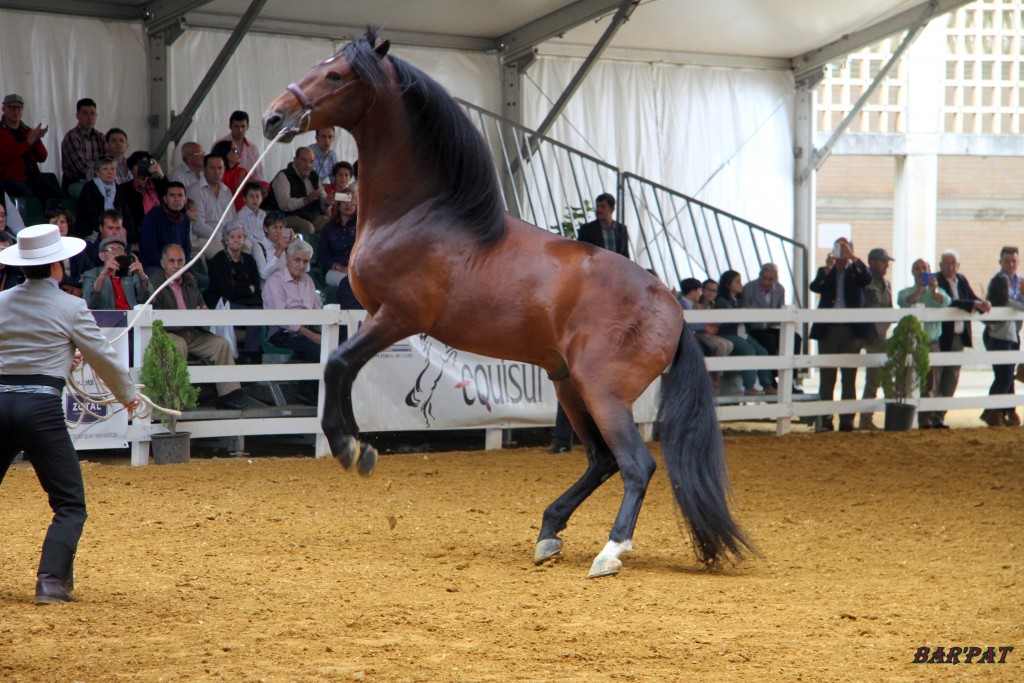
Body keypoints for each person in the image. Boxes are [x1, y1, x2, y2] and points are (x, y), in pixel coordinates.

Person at [0, 223, 140, 604]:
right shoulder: (71, 306)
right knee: (69, 502)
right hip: (41, 406)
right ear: (58, 265)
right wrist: (127, 395)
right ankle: (50, 581)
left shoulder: (1, 302)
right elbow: (102, 356)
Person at [149, 244, 251, 409]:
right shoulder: (154, 282)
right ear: (163, 263)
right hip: (167, 333)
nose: (176, 265)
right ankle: (174, 398)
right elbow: (154, 317)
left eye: (180, 261)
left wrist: (202, 312)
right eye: (172, 261)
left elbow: (201, 305)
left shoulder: (189, 280)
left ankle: (229, 395)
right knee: (177, 344)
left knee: (221, 345)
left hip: (192, 331)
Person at [808, 237, 875, 432]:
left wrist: (853, 258)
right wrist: (828, 270)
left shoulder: (856, 270)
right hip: (828, 329)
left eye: (845, 248)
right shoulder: (825, 271)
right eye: (839, 247)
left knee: (849, 376)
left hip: (850, 330)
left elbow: (867, 279)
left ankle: (847, 420)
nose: (842, 251)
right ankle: (825, 420)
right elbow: (815, 287)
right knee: (827, 376)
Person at [933, 250, 989, 429]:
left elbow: (971, 298)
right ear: (940, 265)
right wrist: (973, 304)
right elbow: (949, 302)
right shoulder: (937, 281)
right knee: (936, 376)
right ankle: (930, 416)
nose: (950, 267)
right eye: (946, 263)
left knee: (952, 378)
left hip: (959, 338)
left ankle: (940, 416)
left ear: (958, 266)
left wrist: (983, 304)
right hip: (942, 337)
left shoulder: (962, 279)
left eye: (953, 263)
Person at [262, 240, 323, 405]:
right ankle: (307, 394)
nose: (302, 265)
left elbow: (318, 310)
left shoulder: (308, 280)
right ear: (288, 259)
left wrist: (325, 331)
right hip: (282, 332)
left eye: (305, 261)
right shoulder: (275, 281)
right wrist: (313, 336)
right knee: (317, 348)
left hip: (308, 328)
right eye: (298, 260)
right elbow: (283, 318)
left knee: (341, 341)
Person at [896, 259, 951, 429]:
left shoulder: (937, 291)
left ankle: (925, 421)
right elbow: (903, 302)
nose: (921, 271)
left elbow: (947, 301)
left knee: (930, 383)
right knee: (906, 380)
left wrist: (933, 290)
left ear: (930, 271)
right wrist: (919, 290)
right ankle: (903, 419)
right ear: (912, 272)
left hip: (931, 341)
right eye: (917, 269)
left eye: (924, 269)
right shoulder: (906, 291)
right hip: (911, 342)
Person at [204, 224, 264, 364]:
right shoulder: (218, 260)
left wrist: (241, 289)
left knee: (258, 310)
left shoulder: (249, 260)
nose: (236, 240)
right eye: (232, 237)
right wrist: (247, 289)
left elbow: (256, 285)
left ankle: (252, 354)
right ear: (225, 240)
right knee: (252, 313)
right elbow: (227, 291)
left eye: (240, 236)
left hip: (245, 302)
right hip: (222, 302)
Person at [715, 270, 774, 396]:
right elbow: (723, 322)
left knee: (762, 352)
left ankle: (767, 384)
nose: (740, 285)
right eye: (737, 282)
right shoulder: (721, 301)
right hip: (728, 334)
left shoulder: (739, 300)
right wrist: (742, 312)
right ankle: (749, 385)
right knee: (749, 351)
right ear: (728, 284)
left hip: (742, 334)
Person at [858, 247, 895, 430]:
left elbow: (890, 309)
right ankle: (869, 418)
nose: (886, 265)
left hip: (881, 335)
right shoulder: (865, 282)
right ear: (872, 262)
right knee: (879, 377)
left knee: (878, 376)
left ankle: (868, 418)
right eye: (883, 261)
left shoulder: (887, 285)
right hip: (869, 335)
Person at [0, 93, 60, 203]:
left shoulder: (26, 130)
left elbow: (42, 157)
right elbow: (3, 156)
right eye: (12, 107)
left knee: (60, 197)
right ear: (3, 109)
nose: (16, 111)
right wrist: (28, 142)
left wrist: (36, 140)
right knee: (30, 199)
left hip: (33, 180)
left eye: (19, 108)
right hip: (9, 180)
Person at [981, 273, 1024, 427]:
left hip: (994, 342)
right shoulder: (1007, 303)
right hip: (1005, 343)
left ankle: (991, 412)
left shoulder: (990, 304)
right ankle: (995, 412)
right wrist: (1022, 293)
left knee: (1001, 377)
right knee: (1005, 377)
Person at [740, 263, 792, 388]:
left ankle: (790, 379)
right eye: (764, 278)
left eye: (771, 279)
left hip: (773, 326)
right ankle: (772, 379)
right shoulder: (749, 288)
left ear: (776, 279)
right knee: (770, 341)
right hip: (755, 328)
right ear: (760, 276)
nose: (767, 282)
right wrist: (767, 321)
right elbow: (746, 315)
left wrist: (773, 321)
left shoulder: (780, 289)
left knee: (794, 339)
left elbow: (781, 311)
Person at [267, 147, 328, 234]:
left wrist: (328, 202)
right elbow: (284, 204)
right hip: (285, 217)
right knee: (307, 228)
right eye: (304, 161)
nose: (308, 165)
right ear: (295, 160)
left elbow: (323, 200)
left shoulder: (314, 176)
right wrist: (305, 200)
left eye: (311, 162)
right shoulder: (284, 176)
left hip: (309, 216)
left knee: (330, 224)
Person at [186, 153, 235, 259]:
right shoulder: (195, 190)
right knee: (226, 255)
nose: (217, 172)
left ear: (224, 169)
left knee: (247, 253)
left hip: (228, 238)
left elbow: (233, 219)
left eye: (220, 168)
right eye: (212, 168)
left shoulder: (227, 191)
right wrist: (221, 237)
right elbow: (197, 225)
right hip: (204, 238)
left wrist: (235, 237)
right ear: (204, 169)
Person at [81, 236, 151, 310]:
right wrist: (103, 274)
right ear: (102, 256)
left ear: (124, 254)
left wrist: (142, 276)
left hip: (132, 317)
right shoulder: (91, 274)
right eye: (111, 249)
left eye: (120, 249)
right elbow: (88, 303)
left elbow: (149, 301)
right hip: (108, 319)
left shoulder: (132, 274)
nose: (116, 253)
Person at [116, 151, 168, 247]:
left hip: (162, 231)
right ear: (131, 168)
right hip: (141, 234)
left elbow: (170, 195)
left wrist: (161, 174)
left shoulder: (158, 184)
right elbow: (126, 216)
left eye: (146, 163)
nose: (142, 167)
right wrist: (133, 240)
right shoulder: (125, 189)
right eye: (138, 164)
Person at [139, 182, 191, 272]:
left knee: (203, 282)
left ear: (185, 200)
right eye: (172, 195)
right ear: (165, 199)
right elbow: (149, 250)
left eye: (180, 195)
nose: (176, 199)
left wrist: (182, 267)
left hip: (179, 267)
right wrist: (168, 266)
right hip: (155, 266)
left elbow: (186, 248)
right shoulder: (152, 217)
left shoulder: (185, 219)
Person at [60, 98, 105, 195]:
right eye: (85, 113)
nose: (90, 118)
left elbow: (110, 164)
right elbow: (82, 168)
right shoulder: (72, 137)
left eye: (92, 114)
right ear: (77, 116)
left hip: (98, 182)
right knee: (97, 192)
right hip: (76, 183)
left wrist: (96, 164)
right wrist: (100, 165)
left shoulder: (101, 137)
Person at [319, 186, 357, 288]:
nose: (348, 204)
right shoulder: (329, 227)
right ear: (339, 205)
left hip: (356, 271)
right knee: (350, 284)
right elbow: (322, 255)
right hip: (334, 271)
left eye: (351, 201)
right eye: (345, 201)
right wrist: (338, 267)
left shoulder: (360, 226)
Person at [46, 207, 91, 295]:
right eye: (55, 223)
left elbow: (89, 272)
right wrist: (78, 280)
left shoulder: (77, 248)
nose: (59, 225)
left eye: (62, 222)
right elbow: (55, 278)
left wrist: (85, 278)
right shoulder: (45, 250)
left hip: (78, 293)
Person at [76, 155, 122, 239]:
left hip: (115, 227)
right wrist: (105, 228)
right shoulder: (89, 188)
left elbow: (125, 213)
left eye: (112, 169)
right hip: (93, 230)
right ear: (97, 172)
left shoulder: (119, 189)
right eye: (105, 169)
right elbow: (89, 215)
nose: (110, 172)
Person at [214, 110, 262, 182]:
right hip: (224, 186)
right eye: (236, 126)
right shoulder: (219, 144)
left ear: (248, 127)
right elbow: (213, 169)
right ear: (230, 126)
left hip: (248, 188)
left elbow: (259, 173)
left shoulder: (253, 148)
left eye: (243, 126)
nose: (240, 130)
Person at [576, 192, 629, 258]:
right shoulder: (587, 230)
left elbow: (625, 257)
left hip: (616, 267)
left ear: (611, 209)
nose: (598, 210)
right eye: (597, 206)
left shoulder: (622, 229)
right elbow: (581, 254)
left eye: (602, 207)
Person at [252, 211, 292, 284]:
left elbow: (306, 268)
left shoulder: (285, 246)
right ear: (265, 229)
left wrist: (295, 243)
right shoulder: (258, 246)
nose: (279, 231)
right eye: (275, 227)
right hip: (268, 291)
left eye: (281, 227)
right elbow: (263, 274)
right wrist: (279, 252)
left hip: (285, 288)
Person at [236, 181, 267, 247]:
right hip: (251, 244)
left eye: (257, 196)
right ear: (244, 199)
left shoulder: (263, 214)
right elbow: (247, 235)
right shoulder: (241, 214)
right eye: (251, 196)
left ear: (261, 199)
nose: (255, 199)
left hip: (264, 242)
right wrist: (261, 244)